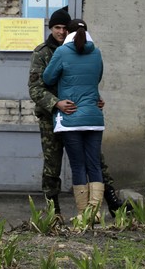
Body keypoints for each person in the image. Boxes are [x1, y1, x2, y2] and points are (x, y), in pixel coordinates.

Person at [28, 9, 126, 218]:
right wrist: (56, 103)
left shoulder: (80, 49)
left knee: (96, 161)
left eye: (64, 28)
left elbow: (88, 79)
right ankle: (54, 212)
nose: (61, 32)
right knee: (52, 165)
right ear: (51, 29)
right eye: (57, 28)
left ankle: (114, 205)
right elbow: (35, 88)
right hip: (51, 116)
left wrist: (94, 99)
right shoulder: (43, 52)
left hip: (78, 115)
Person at [42, 19, 105, 219]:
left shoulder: (61, 52)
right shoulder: (96, 52)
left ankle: (82, 213)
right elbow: (97, 78)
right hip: (94, 117)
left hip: (71, 118)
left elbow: (48, 78)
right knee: (94, 164)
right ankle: (95, 213)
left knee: (78, 166)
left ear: (68, 32)